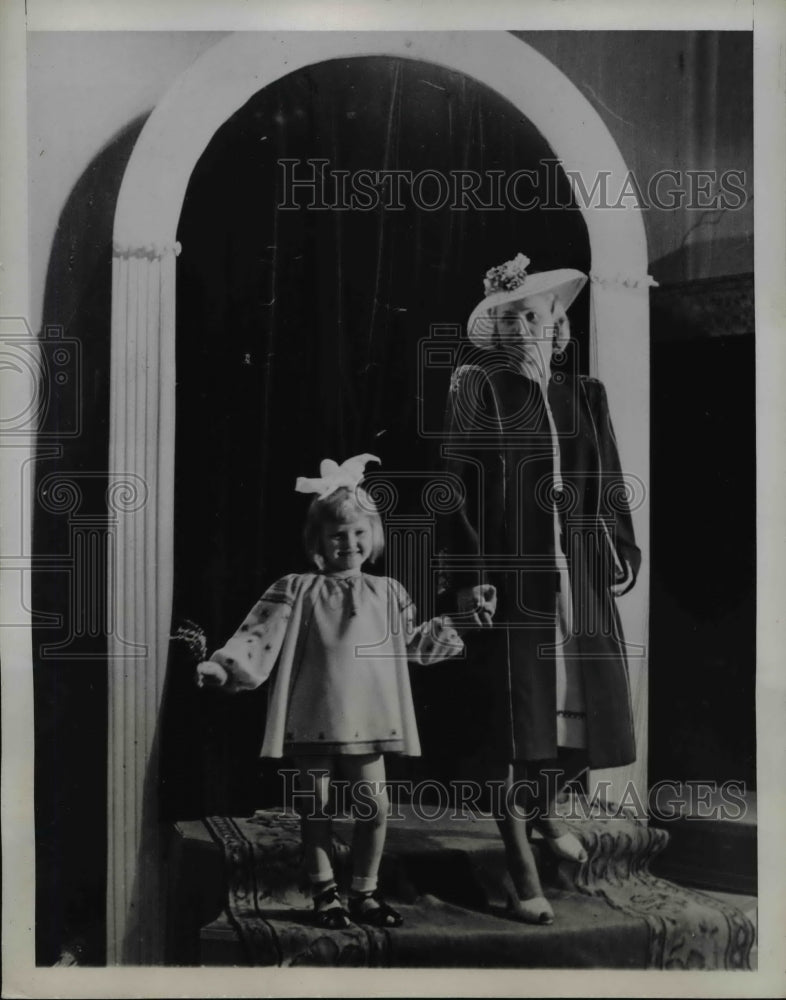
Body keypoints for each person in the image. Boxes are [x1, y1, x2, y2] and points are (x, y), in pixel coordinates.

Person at [438, 253, 641, 924]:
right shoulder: (477, 387)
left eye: (540, 314)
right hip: (510, 570)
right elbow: (454, 490)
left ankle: (548, 810)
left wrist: (622, 541)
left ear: (558, 325)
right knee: (511, 715)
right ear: (497, 328)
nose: (529, 326)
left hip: (572, 569)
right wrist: (467, 579)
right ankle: (518, 854)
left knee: (561, 707)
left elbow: (607, 478)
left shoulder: (585, 394)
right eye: (514, 316)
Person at [197, 455, 465, 930]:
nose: (350, 542)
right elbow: (257, 635)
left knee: (374, 807)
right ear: (318, 541)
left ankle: (364, 891)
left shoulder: (389, 592)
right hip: (313, 716)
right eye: (338, 534)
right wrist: (223, 668)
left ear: (373, 535)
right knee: (314, 805)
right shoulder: (297, 589)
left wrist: (458, 625)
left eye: (359, 532)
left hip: (370, 717)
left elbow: (414, 645)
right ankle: (325, 895)